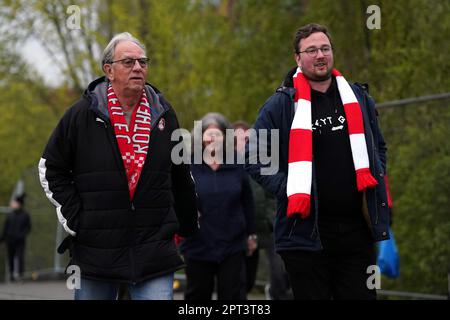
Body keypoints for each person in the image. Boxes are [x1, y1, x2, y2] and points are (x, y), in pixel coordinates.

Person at [38, 32, 198, 300]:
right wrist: (78, 220)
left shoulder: (164, 113)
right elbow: (50, 168)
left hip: (154, 247)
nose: (138, 67)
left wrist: (187, 225)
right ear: (109, 70)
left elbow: (181, 174)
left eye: (142, 62)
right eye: (129, 62)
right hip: (96, 250)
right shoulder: (81, 114)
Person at [245, 23, 392, 300]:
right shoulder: (280, 105)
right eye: (311, 50)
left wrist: (376, 173)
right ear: (298, 58)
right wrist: (290, 187)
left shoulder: (358, 98)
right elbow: (255, 157)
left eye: (325, 48)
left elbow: (379, 147)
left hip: (356, 231)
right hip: (304, 235)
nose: (320, 55)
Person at [179, 113, 256, 300]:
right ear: (200, 138)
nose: (213, 139)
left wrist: (251, 235)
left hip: (232, 244)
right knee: (197, 295)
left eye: (218, 134)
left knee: (233, 296)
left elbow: (247, 201)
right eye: (208, 134)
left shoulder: (237, 165)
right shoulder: (189, 165)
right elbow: (177, 196)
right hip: (198, 244)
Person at [233, 121, 292, 300]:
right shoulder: (228, 165)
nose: (245, 142)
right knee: (244, 279)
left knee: (281, 271)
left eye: (247, 138)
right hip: (244, 229)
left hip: (269, 226)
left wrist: (272, 215)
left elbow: (275, 191)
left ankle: (275, 294)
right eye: (240, 139)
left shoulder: (264, 160)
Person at [0, 194, 31, 282]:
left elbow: (28, 228)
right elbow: (5, 228)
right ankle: (11, 275)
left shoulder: (25, 215)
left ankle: (21, 275)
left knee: (20, 257)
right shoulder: (10, 215)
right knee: (10, 258)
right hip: (10, 240)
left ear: (19, 204)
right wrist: (2, 239)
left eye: (14, 203)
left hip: (20, 241)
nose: (12, 204)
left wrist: (21, 235)